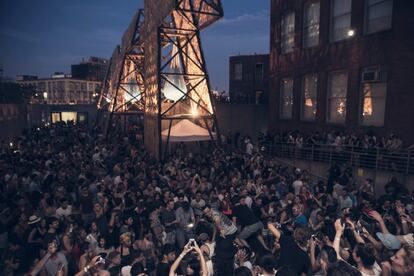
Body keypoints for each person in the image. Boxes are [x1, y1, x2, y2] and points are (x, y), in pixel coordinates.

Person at [203, 204, 237, 276]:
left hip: (231, 232)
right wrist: (213, 239)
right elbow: (215, 228)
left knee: (224, 247)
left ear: (211, 209)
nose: (207, 214)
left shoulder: (215, 215)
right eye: (205, 213)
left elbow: (217, 222)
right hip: (225, 231)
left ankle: (233, 255)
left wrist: (221, 231)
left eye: (208, 211)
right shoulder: (212, 214)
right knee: (218, 243)